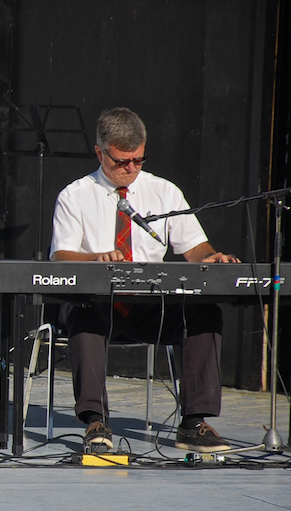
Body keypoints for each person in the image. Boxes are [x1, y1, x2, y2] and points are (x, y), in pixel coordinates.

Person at [49, 107, 238, 452]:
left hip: (149, 305)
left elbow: (194, 247)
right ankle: (96, 422)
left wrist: (211, 257)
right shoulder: (75, 195)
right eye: (122, 161)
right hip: (96, 304)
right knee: (84, 312)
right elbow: (60, 257)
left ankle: (194, 424)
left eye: (138, 160)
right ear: (99, 152)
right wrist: (96, 258)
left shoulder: (164, 192)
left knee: (204, 312)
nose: (131, 169)